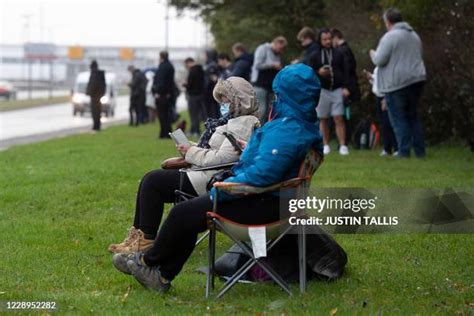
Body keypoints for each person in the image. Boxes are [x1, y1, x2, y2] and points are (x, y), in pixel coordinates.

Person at [111, 64, 323, 293]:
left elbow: (262, 175)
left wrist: (222, 188)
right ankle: (160, 275)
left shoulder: (285, 130)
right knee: (188, 212)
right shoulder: (302, 125)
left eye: (278, 94)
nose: (275, 98)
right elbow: (274, 162)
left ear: (287, 95)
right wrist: (251, 147)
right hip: (276, 202)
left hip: (261, 202)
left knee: (182, 213)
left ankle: (146, 264)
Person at [108, 76, 261, 254]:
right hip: (204, 173)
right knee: (149, 180)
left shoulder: (242, 123)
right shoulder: (236, 121)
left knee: (152, 182)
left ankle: (146, 239)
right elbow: (216, 151)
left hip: (210, 178)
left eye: (225, 100)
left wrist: (190, 152)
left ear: (238, 100)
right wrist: (191, 147)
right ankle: (138, 237)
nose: (222, 104)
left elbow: (224, 159)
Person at [370, 7, 426, 158]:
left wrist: (373, 54)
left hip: (397, 82)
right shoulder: (414, 35)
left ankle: (403, 151)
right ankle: (420, 151)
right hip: (417, 79)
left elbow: (380, 60)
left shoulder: (390, 36)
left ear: (388, 21)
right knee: (413, 116)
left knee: (398, 118)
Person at [308, 28, 350, 155]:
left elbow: (346, 71)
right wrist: (318, 72)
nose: (327, 41)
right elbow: (309, 72)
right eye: (324, 39)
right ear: (320, 40)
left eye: (329, 39)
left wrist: (346, 87)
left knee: (339, 117)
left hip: (337, 89)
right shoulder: (315, 55)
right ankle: (325, 144)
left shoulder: (339, 53)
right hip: (322, 90)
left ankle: (343, 145)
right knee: (323, 118)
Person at [331, 28, 361, 145]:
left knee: (343, 116)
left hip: (347, 88)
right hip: (349, 86)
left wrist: (346, 87)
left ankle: (345, 141)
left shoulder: (342, 51)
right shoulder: (345, 49)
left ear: (335, 38)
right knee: (343, 115)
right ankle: (344, 141)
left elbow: (347, 70)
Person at [251, 36, 287, 123]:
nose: (281, 51)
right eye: (281, 48)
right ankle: (257, 133)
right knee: (261, 112)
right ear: (276, 43)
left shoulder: (277, 54)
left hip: (271, 87)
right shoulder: (263, 48)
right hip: (259, 85)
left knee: (270, 112)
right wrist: (272, 65)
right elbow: (257, 65)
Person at [364, 68, 398, 156]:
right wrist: (371, 78)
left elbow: (390, 81)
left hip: (385, 95)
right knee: (383, 123)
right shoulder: (378, 67)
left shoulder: (387, 65)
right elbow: (378, 80)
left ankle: (396, 147)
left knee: (389, 123)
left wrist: (386, 97)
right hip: (378, 96)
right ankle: (387, 148)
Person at [153, 51, 175, 139]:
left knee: (162, 115)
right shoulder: (170, 66)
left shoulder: (162, 67)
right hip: (169, 94)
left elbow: (160, 81)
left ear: (160, 57)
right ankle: (168, 133)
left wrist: (157, 92)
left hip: (162, 95)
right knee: (167, 114)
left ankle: (163, 133)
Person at [183, 57, 205, 136]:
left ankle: (195, 130)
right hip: (200, 95)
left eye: (186, 65)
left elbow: (190, 84)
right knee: (197, 114)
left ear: (189, 62)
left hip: (193, 95)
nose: (186, 67)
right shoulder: (201, 70)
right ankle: (194, 129)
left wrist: (185, 84)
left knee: (193, 114)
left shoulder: (192, 71)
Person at [86, 60, 106, 132]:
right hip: (99, 95)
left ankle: (95, 126)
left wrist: (88, 92)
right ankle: (97, 125)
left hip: (94, 96)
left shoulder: (94, 74)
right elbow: (104, 85)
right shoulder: (101, 74)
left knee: (95, 112)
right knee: (98, 111)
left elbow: (92, 84)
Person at [203, 49, 220, 119]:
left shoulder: (210, 65)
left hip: (209, 91)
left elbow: (209, 79)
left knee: (211, 110)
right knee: (214, 109)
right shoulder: (214, 64)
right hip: (213, 91)